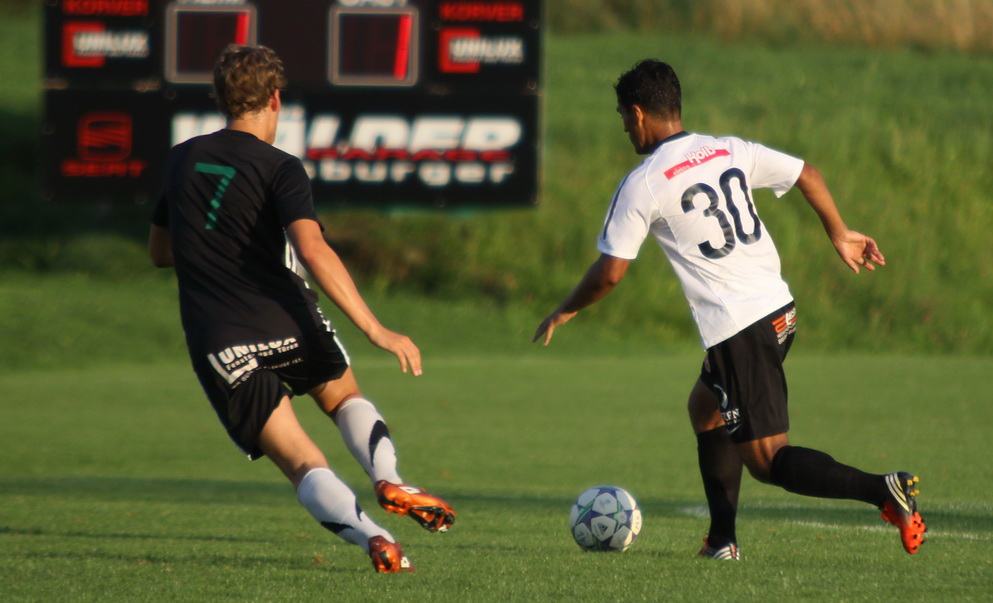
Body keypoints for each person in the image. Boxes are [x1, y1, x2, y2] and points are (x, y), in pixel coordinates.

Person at [533, 59, 925, 559]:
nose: (625, 128)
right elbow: (806, 173)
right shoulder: (728, 149)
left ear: (638, 113)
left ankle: (882, 489)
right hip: (779, 310)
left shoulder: (644, 182)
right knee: (706, 410)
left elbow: (611, 272)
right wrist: (839, 232)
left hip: (739, 328)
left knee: (768, 460)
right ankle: (721, 540)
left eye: (623, 117)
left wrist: (566, 309)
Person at [148, 44, 455, 573]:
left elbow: (160, 252)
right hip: (287, 320)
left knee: (301, 462)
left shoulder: (181, 159)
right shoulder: (280, 167)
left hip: (220, 339)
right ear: (275, 99)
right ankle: (388, 479)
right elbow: (313, 249)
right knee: (343, 397)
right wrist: (376, 329)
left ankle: (375, 538)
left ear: (221, 99)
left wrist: (210, 248)